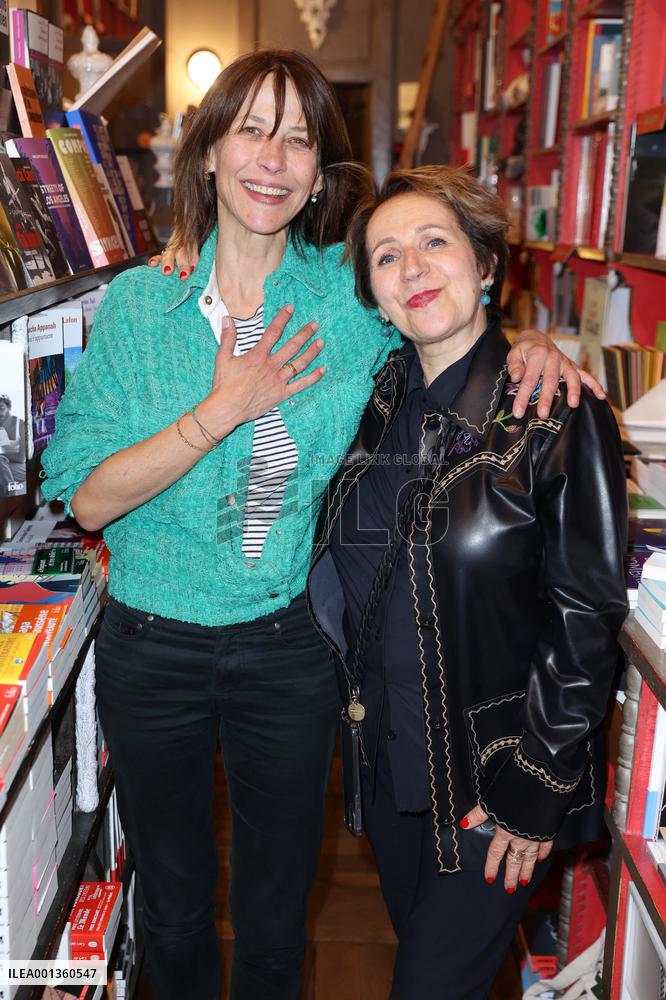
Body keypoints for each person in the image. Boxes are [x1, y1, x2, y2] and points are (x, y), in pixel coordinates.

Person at [42, 50, 601, 1000]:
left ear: (317, 175)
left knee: (275, 915)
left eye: (300, 137)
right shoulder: (142, 304)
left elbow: (446, 316)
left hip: (289, 651)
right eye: (252, 128)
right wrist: (221, 409)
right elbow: (86, 499)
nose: (274, 156)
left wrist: (544, 343)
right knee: (173, 908)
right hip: (151, 641)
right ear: (209, 150)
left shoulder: (350, 306)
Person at [307, 165, 628, 999]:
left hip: (496, 784)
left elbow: (587, 610)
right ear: (372, 295)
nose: (411, 269)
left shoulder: (557, 410)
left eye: (433, 243)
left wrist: (536, 788)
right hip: (390, 776)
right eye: (386, 257)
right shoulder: (373, 401)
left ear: (486, 265)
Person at [0, 395, 26, 498]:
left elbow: (21, 458)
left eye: (1, 409)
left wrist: (3, 457)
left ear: (9, 408)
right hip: (5, 467)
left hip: (21, 468)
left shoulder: (20, 424)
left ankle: (12, 495)